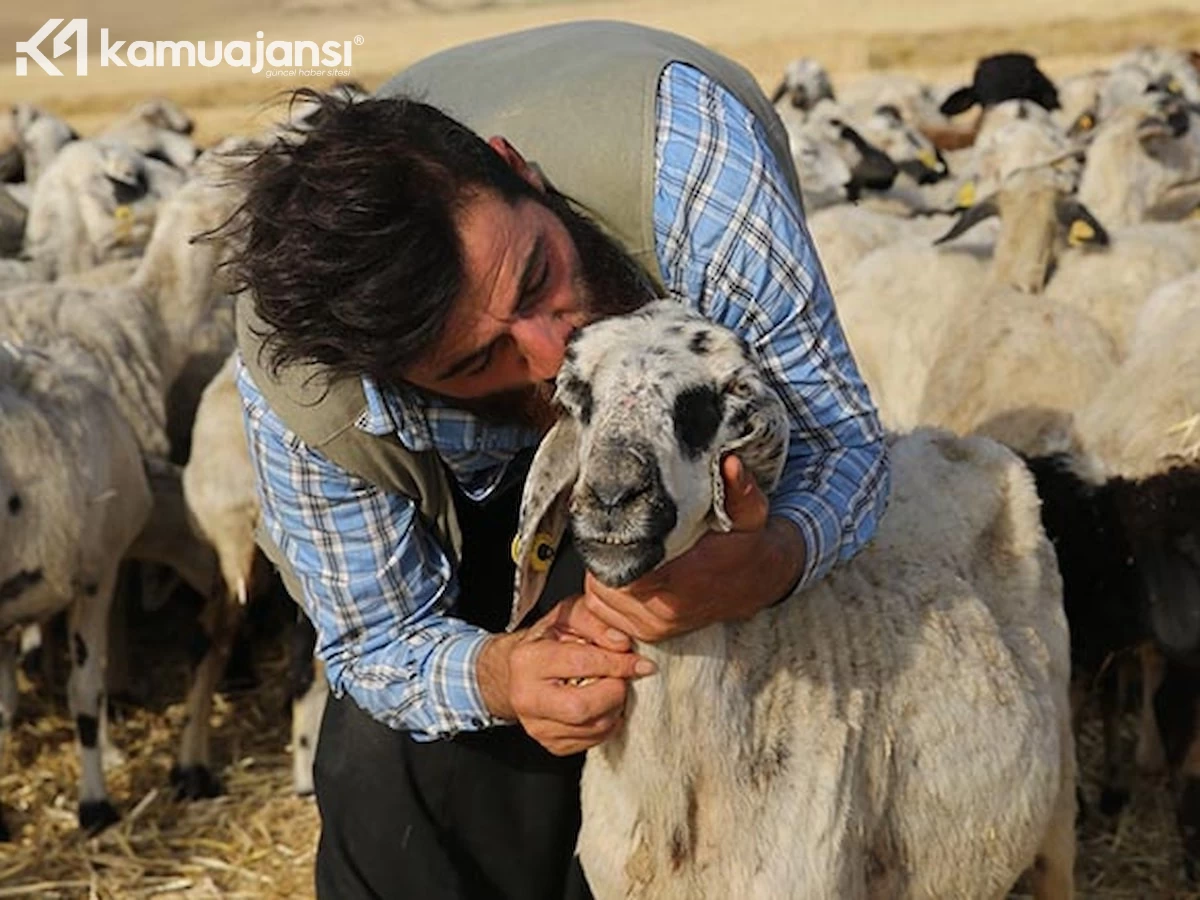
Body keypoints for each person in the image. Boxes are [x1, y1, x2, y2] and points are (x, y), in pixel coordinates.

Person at [227, 19, 890, 900]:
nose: (553, 353)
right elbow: (378, 637)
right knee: (383, 771)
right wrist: (501, 675)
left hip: (682, 457)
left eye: (538, 275)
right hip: (468, 500)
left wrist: (773, 559)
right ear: (389, 373)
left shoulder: (690, 166)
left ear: (518, 168)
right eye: (476, 361)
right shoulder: (306, 392)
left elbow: (839, 437)